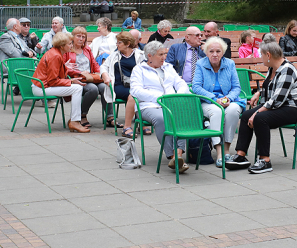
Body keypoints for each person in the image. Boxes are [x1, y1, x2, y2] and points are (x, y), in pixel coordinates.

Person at [227, 42, 297, 174]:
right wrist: (258, 93)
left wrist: (257, 112)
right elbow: (268, 86)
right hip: (279, 106)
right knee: (246, 115)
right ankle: (241, 155)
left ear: (268, 55)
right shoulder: (273, 67)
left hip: (294, 109)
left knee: (260, 118)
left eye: (262, 55)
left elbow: (277, 100)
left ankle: (265, 160)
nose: (260, 58)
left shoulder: (287, 69)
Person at [130, 41, 191, 173]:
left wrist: (178, 95)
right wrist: (159, 97)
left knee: (181, 117)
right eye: (161, 54)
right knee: (162, 118)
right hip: (149, 106)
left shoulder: (168, 67)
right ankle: (172, 155)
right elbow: (135, 91)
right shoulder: (139, 69)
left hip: (171, 103)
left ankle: (178, 156)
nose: (164, 57)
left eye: (165, 53)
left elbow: (181, 83)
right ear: (150, 56)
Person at [192, 37, 245, 167]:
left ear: (223, 52)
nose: (215, 54)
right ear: (206, 52)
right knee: (217, 112)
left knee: (233, 110)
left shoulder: (230, 64)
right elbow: (196, 87)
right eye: (211, 51)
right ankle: (219, 152)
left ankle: (227, 148)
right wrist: (215, 99)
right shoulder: (200, 64)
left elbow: (236, 87)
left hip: (228, 99)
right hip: (209, 101)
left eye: (218, 51)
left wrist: (228, 99)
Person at [32, 31, 88, 133]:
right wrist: (71, 81)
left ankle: (75, 120)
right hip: (42, 88)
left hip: (42, 86)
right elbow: (53, 81)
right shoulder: (55, 56)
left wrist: (67, 72)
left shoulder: (56, 53)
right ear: (62, 46)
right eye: (70, 43)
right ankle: (75, 121)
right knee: (77, 88)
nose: (72, 45)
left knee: (77, 88)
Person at [101, 32, 146, 135]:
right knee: (134, 95)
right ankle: (127, 127)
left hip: (136, 85)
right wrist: (105, 76)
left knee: (139, 93)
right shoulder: (114, 55)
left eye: (119, 42)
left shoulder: (140, 55)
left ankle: (141, 122)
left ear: (127, 43)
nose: (117, 45)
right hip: (119, 86)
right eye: (117, 42)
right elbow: (103, 67)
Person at [66, 27, 111, 128]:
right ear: (73, 37)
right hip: (77, 79)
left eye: (83, 37)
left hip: (90, 77)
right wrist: (80, 72)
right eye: (78, 36)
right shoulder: (67, 50)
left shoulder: (86, 49)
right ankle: (82, 115)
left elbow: (94, 64)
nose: (81, 38)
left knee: (105, 87)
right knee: (93, 89)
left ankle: (110, 117)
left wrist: (100, 73)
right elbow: (64, 68)